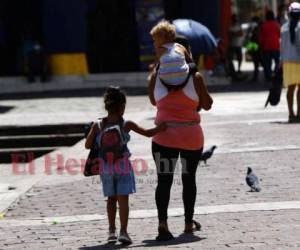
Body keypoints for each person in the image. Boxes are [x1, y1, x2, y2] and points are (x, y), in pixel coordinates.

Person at [148, 23, 213, 241]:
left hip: (163, 135)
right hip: (191, 138)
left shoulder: (155, 76)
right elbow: (207, 104)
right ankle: (188, 224)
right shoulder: (196, 78)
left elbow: (153, 101)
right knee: (189, 179)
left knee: (163, 181)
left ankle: (163, 225)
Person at [85, 87, 167, 243]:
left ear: (106, 106)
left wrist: (94, 136)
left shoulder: (98, 125)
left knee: (111, 199)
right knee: (123, 199)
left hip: (106, 167)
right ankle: (123, 231)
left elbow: (88, 146)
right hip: (122, 166)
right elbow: (148, 133)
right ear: (122, 107)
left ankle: (111, 231)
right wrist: (161, 127)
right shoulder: (126, 124)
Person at [150, 20, 193, 87]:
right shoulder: (180, 47)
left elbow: (155, 65)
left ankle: (152, 97)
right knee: (194, 69)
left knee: (152, 75)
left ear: (160, 39)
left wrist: (152, 66)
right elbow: (190, 61)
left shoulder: (159, 50)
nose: (154, 43)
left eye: (154, 40)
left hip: (166, 82)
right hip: (184, 80)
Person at [281, 2, 300, 123]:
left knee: (290, 89)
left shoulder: (283, 27)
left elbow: (281, 47)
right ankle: (299, 114)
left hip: (287, 62)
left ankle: (290, 114)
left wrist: (280, 61)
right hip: (299, 61)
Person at [259, 10, 280, 82]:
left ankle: (269, 76)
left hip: (266, 47)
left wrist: (261, 45)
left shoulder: (264, 25)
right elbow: (279, 35)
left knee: (267, 63)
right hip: (276, 46)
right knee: (277, 61)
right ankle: (276, 73)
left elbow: (261, 37)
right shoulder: (276, 24)